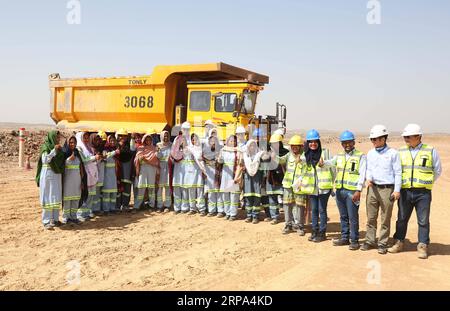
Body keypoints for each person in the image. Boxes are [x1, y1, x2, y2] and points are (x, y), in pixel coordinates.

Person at [388, 124, 442, 259]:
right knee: (401, 219)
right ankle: (399, 242)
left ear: (418, 136)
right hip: (405, 192)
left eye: (408, 136)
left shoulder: (430, 150)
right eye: (404, 136)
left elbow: (437, 170)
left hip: (423, 193)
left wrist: (425, 182)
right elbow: (396, 171)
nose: (406, 139)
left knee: (423, 221)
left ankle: (422, 245)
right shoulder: (400, 151)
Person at [362, 125, 402, 254]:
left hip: (387, 189)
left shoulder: (393, 153)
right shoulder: (370, 153)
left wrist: (396, 190)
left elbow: (398, 172)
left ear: (384, 138)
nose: (374, 142)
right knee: (371, 217)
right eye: (372, 139)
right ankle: (369, 240)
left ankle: (382, 243)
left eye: (376, 139)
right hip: (373, 189)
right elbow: (368, 169)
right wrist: (368, 178)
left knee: (385, 218)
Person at [326, 131, 366, 250]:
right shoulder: (339, 155)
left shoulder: (360, 156)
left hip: (352, 192)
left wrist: (358, 190)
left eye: (349, 142)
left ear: (353, 142)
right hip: (340, 191)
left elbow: (362, 174)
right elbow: (330, 163)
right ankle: (344, 237)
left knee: (353, 217)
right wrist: (322, 163)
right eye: (344, 143)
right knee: (343, 216)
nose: (347, 144)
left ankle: (354, 240)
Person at [298, 129, 334, 243]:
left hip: (324, 188)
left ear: (318, 142)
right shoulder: (305, 156)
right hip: (312, 189)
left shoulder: (326, 153)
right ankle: (314, 231)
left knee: (322, 210)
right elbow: (303, 172)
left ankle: (322, 233)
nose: (313, 144)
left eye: (315, 141)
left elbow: (333, 168)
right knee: (314, 210)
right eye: (310, 142)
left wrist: (332, 184)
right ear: (307, 144)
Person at [36, 130, 65, 230]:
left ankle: (55, 220)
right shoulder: (46, 147)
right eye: (56, 137)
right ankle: (46, 221)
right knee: (48, 198)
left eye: (59, 138)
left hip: (56, 175)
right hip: (48, 175)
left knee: (55, 197)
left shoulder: (59, 149)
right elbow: (45, 160)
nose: (58, 139)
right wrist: (53, 151)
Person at [281, 135, 306, 235]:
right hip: (288, 184)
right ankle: (288, 224)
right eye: (292, 146)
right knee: (287, 205)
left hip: (299, 186)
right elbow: (280, 160)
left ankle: (299, 225)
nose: (294, 147)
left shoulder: (305, 156)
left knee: (299, 205)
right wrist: (273, 156)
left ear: (301, 146)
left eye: (296, 145)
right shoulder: (288, 155)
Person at [262, 133, 287, 225]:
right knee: (272, 199)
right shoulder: (267, 153)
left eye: (276, 143)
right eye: (273, 143)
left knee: (286, 199)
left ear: (280, 143)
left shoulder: (286, 153)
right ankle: (274, 217)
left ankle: (288, 218)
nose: (275, 145)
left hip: (282, 178)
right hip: (271, 178)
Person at [61, 135, 87, 225]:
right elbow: (61, 167)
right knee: (67, 200)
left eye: (74, 142)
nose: (73, 144)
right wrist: (68, 160)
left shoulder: (77, 153)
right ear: (67, 143)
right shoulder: (64, 153)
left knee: (76, 199)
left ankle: (74, 217)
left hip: (77, 181)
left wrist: (83, 181)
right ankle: (66, 217)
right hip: (67, 181)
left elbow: (81, 168)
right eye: (71, 142)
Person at [217, 134, 244, 220]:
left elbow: (240, 163)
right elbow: (220, 161)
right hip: (225, 175)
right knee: (225, 195)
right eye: (231, 141)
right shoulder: (223, 150)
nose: (232, 142)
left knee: (233, 195)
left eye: (234, 141)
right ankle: (227, 212)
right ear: (228, 141)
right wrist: (219, 156)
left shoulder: (238, 151)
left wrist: (238, 175)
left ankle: (233, 214)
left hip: (234, 174)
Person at [76, 131, 100, 221]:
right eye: (84, 138)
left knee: (91, 195)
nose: (86, 140)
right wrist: (94, 158)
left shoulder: (89, 147)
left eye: (87, 138)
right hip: (85, 174)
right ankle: (80, 214)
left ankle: (87, 212)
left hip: (92, 174)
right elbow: (84, 160)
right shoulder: (79, 148)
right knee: (84, 195)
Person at [134, 130, 160, 211]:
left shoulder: (154, 148)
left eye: (149, 140)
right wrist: (140, 159)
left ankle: (151, 205)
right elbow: (137, 159)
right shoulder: (140, 148)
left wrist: (145, 159)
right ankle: (137, 205)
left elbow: (156, 160)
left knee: (151, 187)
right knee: (141, 187)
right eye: (146, 140)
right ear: (144, 140)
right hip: (143, 169)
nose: (148, 141)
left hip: (152, 169)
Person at [184, 133, 207, 215]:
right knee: (191, 190)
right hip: (190, 172)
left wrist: (204, 170)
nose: (194, 141)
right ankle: (192, 208)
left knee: (200, 190)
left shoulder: (201, 149)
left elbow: (202, 160)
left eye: (195, 139)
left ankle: (201, 208)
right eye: (193, 139)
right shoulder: (189, 148)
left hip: (199, 171)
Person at [171, 122, 191, 213]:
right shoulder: (177, 139)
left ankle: (184, 207)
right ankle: (177, 207)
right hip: (178, 166)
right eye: (184, 129)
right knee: (177, 186)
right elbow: (173, 151)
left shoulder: (191, 139)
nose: (185, 131)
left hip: (187, 166)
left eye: (187, 129)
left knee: (185, 187)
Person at [242, 139, 264, 223]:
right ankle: (248, 215)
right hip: (248, 179)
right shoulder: (245, 156)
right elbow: (241, 166)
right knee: (248, 197)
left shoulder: (259, 155)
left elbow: (263, 168)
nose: (252, 147)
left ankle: (255, 216)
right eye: (250, 145)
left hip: (257, 178)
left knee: (256, 197)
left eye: (254, 145)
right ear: (248, 147)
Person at [203, 128, 222, 216]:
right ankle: (211, 210)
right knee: (210, 191)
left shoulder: (221, 149)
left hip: (218, 173)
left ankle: (220, 210)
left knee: (218, 191)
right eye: (211, 140)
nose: (213, 142)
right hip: (209, 173)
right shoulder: (205, 150)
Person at [116, 129, 134, 212]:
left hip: (127, 170)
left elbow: (132, 150)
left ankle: (125, 204)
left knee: (127, 189)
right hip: (118, 171)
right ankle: (118, 205)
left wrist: (133, 139)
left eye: (124, 136)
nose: (122, 137)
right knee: (118, 188)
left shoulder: (129, 145)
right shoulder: (115, 146)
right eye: (121, 135)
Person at [102, 135, 120, 215]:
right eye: (111, 140)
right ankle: (106, 209)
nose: (112, 142)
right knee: (106, 193)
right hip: (107, 174)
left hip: (114, 174)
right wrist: (114, 152)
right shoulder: (105, 149)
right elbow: (105, 156)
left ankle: (112, 208)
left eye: (114, 140)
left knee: (113, 192)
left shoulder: (116, 150)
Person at [156, 130, 172, 213]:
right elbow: (157, 157)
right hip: (160, 167)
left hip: (168, 168)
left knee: (168, 187)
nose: (166, 138)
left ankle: (167, 205)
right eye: (164, 136)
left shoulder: (171, 145)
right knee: (159, 187)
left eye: (167, 136)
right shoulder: (158, 145)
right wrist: (158, 151)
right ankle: (159, 205)